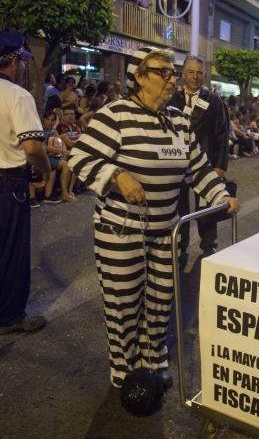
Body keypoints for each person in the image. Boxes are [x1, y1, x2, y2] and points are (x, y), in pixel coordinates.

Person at [68, 48, 239, 389]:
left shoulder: (177, 120)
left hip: (166, 231)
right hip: (121, 230)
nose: (171, 78)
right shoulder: (115, 115)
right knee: (124, 304)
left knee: (160, 303)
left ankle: (153, 360)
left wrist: (220, 196)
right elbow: (79, 157)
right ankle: (126, 371)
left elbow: (199, 169)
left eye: (172, 72)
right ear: (140, 77)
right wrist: (116, 175)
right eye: (163, 72)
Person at [0, 31, 50, 334]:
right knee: (12, 250)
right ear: (14, 61)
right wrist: (45, 171)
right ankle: (10, 316)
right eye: (22, 62)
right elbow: (32, 147)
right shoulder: (18, 96)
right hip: (8, 183)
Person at [171, 56, 230, 264]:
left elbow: (223, 133)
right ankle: (180, 245)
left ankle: (208, 245)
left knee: (206, 207)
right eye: (191, 72)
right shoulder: (172, 99)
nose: (195, 77)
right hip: (177, 163)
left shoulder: (214, 100)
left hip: (205, 164)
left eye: (199, 73)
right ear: (183, 75)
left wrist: (220, 165)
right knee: (179, 208)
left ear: (203, 75)